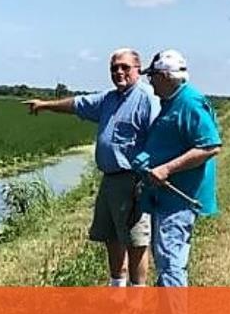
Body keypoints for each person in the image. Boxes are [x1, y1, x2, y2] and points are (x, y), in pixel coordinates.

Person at [24, 49, 159, 287]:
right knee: (111, 237)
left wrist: (149, 178)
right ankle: (117, 290)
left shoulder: (147, 97)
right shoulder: (109, 99)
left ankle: (138, 298)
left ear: (138, 69)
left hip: (135, 181)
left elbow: (159, 140)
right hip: (109, 180)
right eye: (114, 68)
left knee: (136, 242)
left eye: (124, 67)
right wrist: (44, 105)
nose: (119, 72)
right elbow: (77, 104)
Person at [132, 50, 221, 287]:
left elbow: (210, 146)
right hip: (166, 197)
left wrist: (166, 169)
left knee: (171, 259)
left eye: (152, 77)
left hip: (179, 198)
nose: (150, 82)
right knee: (166, 256)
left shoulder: (189, 102)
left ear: (164, 76)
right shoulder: (172, 102)